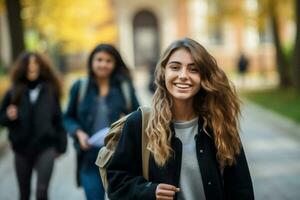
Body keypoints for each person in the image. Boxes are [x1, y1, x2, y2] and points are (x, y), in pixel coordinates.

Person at [106, 38, 254, 200]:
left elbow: (241, 188)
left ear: (204, 77)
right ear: (163, 73)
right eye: (175, 67)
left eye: (193, 69)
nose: (183, 76)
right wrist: (148, 190)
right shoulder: (139, 123)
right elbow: (116, 182)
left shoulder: (219, 124)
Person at [63, 44, 139, 200]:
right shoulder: (80, 87)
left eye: (108, 60)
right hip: (89, 159)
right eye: (99, 60)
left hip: (117, 159)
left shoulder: (124, 87)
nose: (103, 64)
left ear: (115, 63)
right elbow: (67, 117)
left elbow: (138, 116)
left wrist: (123, 126)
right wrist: (79, 133)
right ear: (92, 62)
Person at [0, 52, 67, 200]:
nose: (32, 67)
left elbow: (58, 120)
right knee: (24, 193)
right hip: (22, 149)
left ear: (41, 67)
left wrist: (61, 146)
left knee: (41, 193)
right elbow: (2, 118)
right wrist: (9, 116)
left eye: (36, 63)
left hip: (46, 147)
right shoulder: (13, 91)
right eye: (29, 64)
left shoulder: (50, 90)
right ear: (23, 68)